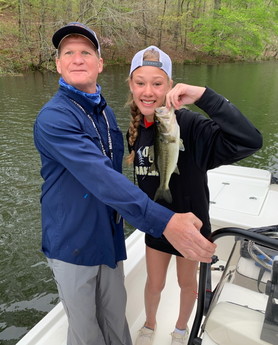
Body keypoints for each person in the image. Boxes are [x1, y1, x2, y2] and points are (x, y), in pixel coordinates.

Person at [33, 23, 216, 345]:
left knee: (116, 322)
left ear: (100, 64)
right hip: (72, 243)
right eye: (68, 53)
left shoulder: (103, 114)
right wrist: (165, 220)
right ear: (58, 64)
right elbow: (100, 178)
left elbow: (115, 176)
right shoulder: (54, 118)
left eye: (86, 52)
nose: (77, 59)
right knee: (87, 333)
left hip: (108, 239)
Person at [126, 45, 263, 345]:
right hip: (157, 224)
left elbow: (250, 140)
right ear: (131, 86)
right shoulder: (135, 130)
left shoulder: (190, 126)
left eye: (157, 83)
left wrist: (203, 96)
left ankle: (179, 330)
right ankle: (149, 325)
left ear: (171, 86)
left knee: (187, 284)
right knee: (154, 283)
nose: (148, 91)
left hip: (191, 228)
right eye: (140, 82)